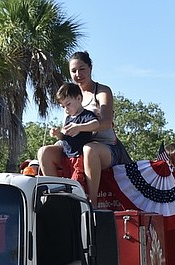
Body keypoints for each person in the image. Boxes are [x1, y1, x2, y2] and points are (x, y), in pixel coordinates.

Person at [37, 51, 131, 205]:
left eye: (82, 69)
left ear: (90, 68)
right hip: (75, 148)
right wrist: (59, 134)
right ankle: (57, 199)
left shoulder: (102, 91)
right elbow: (67, 130)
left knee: (89, 149)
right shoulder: (69, 95)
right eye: (73, 71)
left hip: (104, 147)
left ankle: (91, 203)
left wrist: (81, 128)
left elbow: (107, 122)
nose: (78, 74)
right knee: (44, 152)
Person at [42, 82, 97, 160]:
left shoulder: (86, 115)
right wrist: (57, 134)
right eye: (63, 107)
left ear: (78, 98)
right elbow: (64, 137)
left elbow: (95, 124)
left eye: (68, 104)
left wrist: (79, 127)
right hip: (67, 156)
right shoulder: (68, 118)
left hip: (80, 156)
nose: (66, 109)